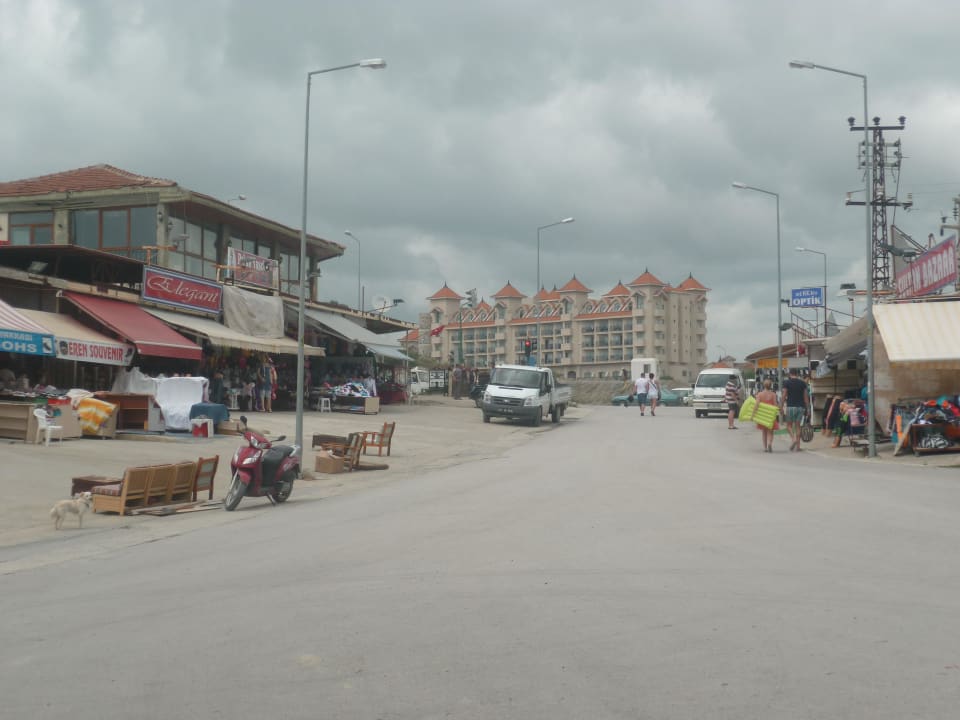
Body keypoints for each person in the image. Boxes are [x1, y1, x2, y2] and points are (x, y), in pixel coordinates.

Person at [781, 367, 810, 451]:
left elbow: (784, 395)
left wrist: (781, 406)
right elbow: (806, 397)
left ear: (790, 374)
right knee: (798, 426)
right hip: (800, 407)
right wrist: (808, 409)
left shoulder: (787, 383)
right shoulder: (802, 383)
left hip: (790, 407)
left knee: (789, 426)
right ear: (797, 374)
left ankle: (793, 439)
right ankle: (798, 447)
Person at [756, 379, 779, 452]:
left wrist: (754, 413)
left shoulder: (760, 394)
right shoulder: (773, 394)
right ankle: (770, 443)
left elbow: (757, 405)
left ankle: (765, 448)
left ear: (764, 385)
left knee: (764, 432)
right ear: (771, 385)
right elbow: (775, 405)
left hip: (763, 414)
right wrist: (777, 413)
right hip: (770, 414)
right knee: (770, 431)